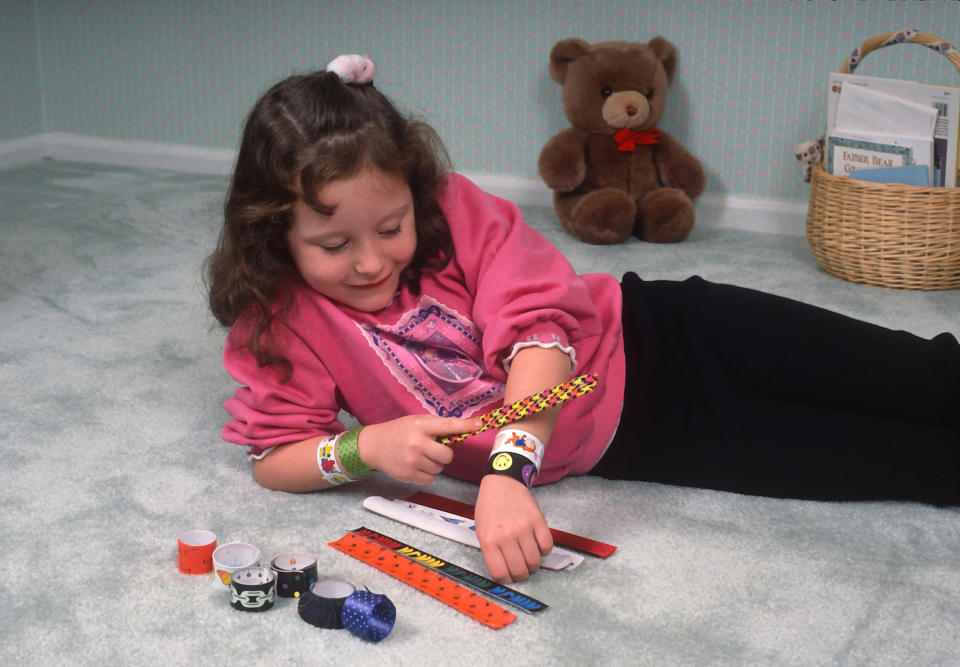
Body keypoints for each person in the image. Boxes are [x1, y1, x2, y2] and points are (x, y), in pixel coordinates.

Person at [206, 56, 960, 585]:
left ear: (414, 192)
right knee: (909, 463)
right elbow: (275, 455)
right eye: (335, 245)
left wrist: (507, 470)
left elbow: (542, 337)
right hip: (646, 437)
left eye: (392, 227)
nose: (372, 261)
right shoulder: (277, 316)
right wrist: (364, 445)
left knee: (923, 373)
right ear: (274, 232)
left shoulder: (455, 207)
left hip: (667, 329)